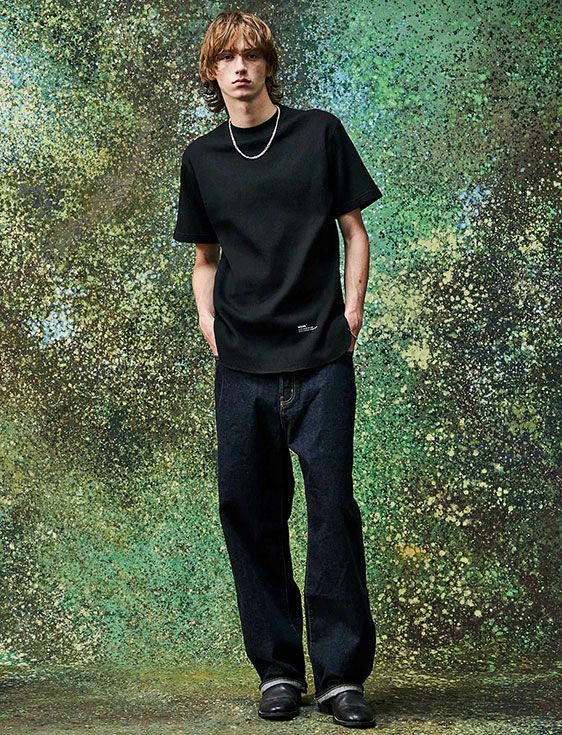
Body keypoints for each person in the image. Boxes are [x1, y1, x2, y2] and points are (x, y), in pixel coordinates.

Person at [173, 10, 382, 729]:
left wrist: (351, 312)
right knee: (249, 512)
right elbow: (205, 259)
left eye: (251, 55)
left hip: (321, 359)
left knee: (332, 513)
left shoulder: (318, 134)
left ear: (267, 64)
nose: (240, 68)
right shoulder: (202, 158)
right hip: (243, 368)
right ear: (212, 72)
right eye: (227, 58)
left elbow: (354, 231)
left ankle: (341, 677)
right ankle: (279, 671)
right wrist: (210, 326)